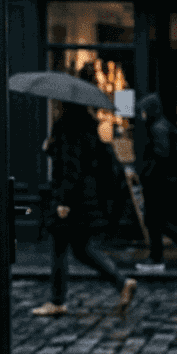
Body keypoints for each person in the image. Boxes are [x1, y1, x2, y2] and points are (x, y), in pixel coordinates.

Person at [31, 100, 138, 317]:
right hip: (87, 198)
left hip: (70, 198)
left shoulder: (66, 127)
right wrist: (51, 147)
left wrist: (63, 201)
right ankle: (121, 282)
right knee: (82, 249)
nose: (55, 106)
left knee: (59, 249)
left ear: (66, 106)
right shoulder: (90, 126)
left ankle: (57, 301)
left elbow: (71, 166)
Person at [134, 94, 177, 274]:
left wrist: (146, 174)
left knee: (153, 219)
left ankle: (157, 258)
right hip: (162, 182)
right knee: (155, 220)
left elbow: (161, 156)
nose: (143, 114)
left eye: (145, 110)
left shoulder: (157, 127)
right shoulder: (161, 124)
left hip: (158, 182)